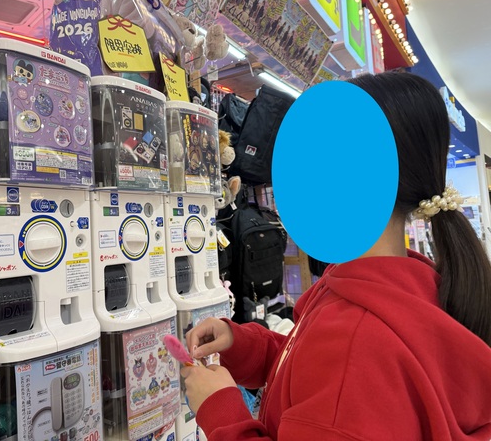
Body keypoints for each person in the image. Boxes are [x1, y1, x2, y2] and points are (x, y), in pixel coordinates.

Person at [181, 72, 491, 440]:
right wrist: (243, 346)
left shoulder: (357, 337)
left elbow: (340, 377)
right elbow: (312, 371)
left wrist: (219, 409)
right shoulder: (395, 285)